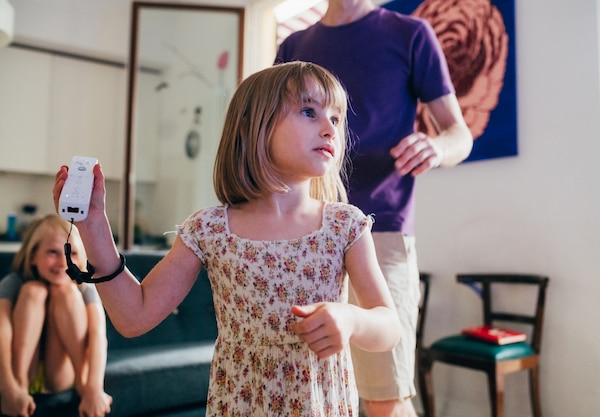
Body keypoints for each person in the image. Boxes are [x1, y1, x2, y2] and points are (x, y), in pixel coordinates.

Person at [52, 61, 402, 417]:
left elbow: (389, 327)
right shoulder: (210, 230)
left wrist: (350, 319)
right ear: (254, 127)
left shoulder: (345, 225)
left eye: (336, 118)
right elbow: (133, 317)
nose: (329, 127)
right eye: (309, 111)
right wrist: (94, 227)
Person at [275, 1, 473, 416]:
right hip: (301, 233)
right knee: (302, 390)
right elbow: (269, 135)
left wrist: (436, 145)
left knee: (385, 396)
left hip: (382, 233)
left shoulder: (410, 34)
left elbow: (459, 134)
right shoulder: (294, 46)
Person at [0, 214, 112, 417]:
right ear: (32, 256)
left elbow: (98, 335)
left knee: (66, 291)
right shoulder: (13, 282)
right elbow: (2, 330)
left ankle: (82, 383)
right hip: (23, 371)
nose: (63, 262)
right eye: (53, 252)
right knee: (33, 290)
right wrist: (8, 388)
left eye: (72, 253)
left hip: (61, 374)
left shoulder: (86, 287)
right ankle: (20, 384)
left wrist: (94, 388)